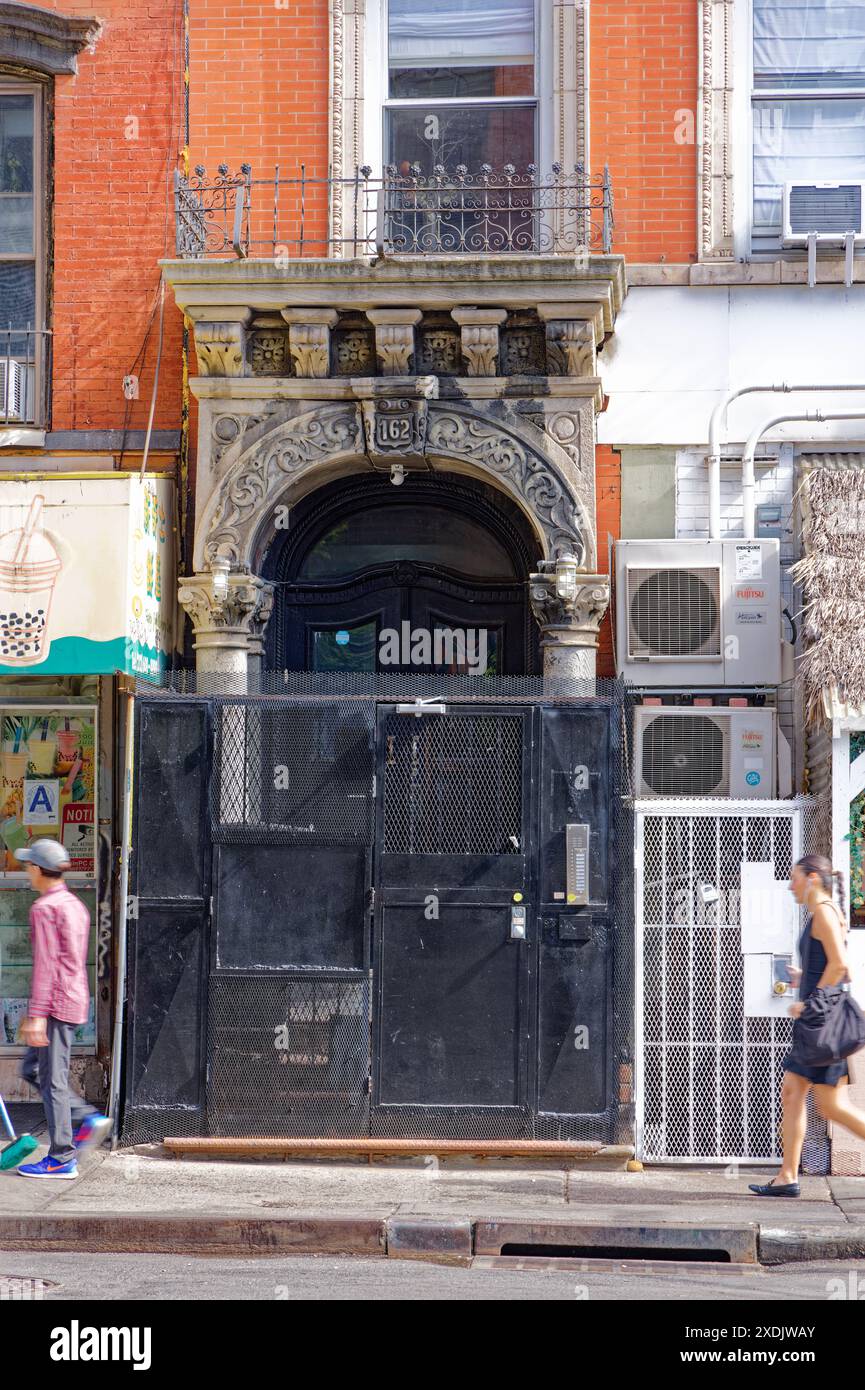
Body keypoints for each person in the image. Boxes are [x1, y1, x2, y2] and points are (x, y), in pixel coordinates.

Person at [749, 854, 865, 1197]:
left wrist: (809, 1003)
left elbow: (842, 967)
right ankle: (787, 1176)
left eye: (794, 878)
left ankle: (788, 1175)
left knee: (830, 1106)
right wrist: (806, 978)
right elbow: (829, 965)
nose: (790, 885)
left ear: (812, 878)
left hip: (820, 1023)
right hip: (819, 1022)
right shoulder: (824, 912)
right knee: (797, 1095)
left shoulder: (825, 913)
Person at [13, 837, 112, 1179]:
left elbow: (47, 965)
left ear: (39, 870)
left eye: (29, 866)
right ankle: (84, 1120)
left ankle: (60, 1157)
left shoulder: (44, 909)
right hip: (71, 999)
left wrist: (38, 1014)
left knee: (51, 1080)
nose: (27, 872)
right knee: (33, 1070)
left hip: (54, 1004)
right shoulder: (73, 905)